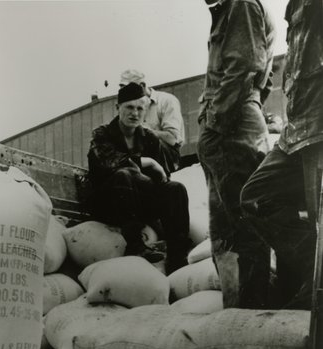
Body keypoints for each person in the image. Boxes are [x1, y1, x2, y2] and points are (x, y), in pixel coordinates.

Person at [241, 0, 323, 309]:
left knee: (320, 215)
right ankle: (312, 269)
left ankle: (313, 288)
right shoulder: (294, 7)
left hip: (320, 130)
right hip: (295, 132)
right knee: (255, 196)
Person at [197, 0, 275, 308]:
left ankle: (250, 313)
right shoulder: (229, 9)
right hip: (232, 124)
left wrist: (216, 121)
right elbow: (260, 77)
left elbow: (244, 66)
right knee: (225, 229)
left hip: (230, 128)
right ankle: (237, 315)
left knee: (243, 225)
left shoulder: (240, 4)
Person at [87, 82, 191, 274]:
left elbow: (162, 178)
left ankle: (177, 256)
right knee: (124, 174)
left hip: (137, 204)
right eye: (129, 107)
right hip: (109, 204)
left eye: (140, 108)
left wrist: (159, 179)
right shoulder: (102, 134)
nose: (135, 113)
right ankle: (135, 247)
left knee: (175, 189)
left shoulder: (149, 138)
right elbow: (110, 163)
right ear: (118, 108)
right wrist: (149, 163)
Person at [119, 69, 185, 149]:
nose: (125, 94)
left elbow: (173, 139)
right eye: (123, 90)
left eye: (129, 90)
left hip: (165, 155)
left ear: (142, 86)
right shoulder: (128, 105)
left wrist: (142, 132)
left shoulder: (167, 101)